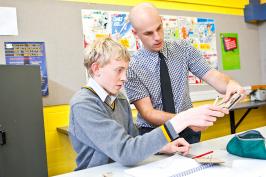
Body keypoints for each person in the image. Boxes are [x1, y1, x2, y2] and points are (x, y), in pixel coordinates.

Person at [68, 37, 227, 170]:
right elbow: (126, 152)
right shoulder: (84, 104)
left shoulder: (120, 99)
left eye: (126, 70)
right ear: (96, 69)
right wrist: (182, 120)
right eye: (119, 70)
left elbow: (132, 138)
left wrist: (162, 146)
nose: (125, 77)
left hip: (121, 170)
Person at [124, 3, 245, 143]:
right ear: (135, 33)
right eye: (148, 33)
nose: (157, 37)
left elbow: (212, 75)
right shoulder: (131, 67)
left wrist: (231, 84)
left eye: (159, 28)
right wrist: (186, 119)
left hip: (189, 131)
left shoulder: (183, 49)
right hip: (155, 134)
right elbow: (148, 113)